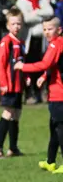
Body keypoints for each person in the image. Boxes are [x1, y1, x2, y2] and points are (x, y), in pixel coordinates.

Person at [15, 17, 63, 172]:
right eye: (44, 29)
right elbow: (54, 65)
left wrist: (23, 66)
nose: (46, 32)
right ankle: (50, 161)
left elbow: (45, 64)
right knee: (54, 128)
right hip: (56, 93)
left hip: (59, 95)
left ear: (59, 30)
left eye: (50, 29)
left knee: (60, 129)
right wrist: (44, 76)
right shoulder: (58, 43)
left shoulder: (55, 44)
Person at [0, 9, 26, 159]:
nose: (16, 26)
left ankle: (13, 148)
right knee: (8, 113)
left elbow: (20, 63)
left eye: (19, 23)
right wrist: (3, 83)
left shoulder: (20, 42)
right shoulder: (6, 41)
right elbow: (0, 63)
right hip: (10, 85)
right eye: (13, 24)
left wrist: (26, 77)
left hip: (18, 85)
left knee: (17, 114)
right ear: (7, 25)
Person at [16, 0, 54, 104]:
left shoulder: (41, 0)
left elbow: (50, 12)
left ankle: (42, 91)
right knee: (28, 66)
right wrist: (40, 14)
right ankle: (29, 93)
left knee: (42, 65)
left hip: (42, 39)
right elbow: (26, 19)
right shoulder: (21, 2)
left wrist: (35, 13)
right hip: (28, 40)